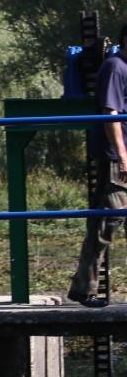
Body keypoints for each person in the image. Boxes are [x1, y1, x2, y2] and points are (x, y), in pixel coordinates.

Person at [70, 43, 127, 306]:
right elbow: (110, 114)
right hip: (117, 159)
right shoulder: (116, 67)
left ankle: (84, 287)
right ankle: (84, 289)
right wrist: (122, 154)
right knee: (107, 221)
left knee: (108, 220)